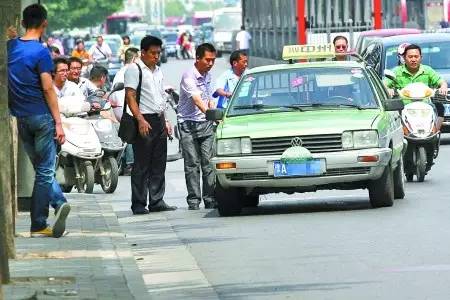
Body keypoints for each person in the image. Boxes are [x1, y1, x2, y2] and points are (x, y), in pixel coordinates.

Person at [7, 4, 70, 238]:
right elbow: (47, 88)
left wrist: (12, 37)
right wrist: (59, 122)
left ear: (23, 23)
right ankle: (39, 223)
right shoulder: (42, 52)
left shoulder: (10, 47)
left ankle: (58, 204)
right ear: (44, 23)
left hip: (20, 118)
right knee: (45, 170)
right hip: (42, 117)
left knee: (41, 170)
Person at [124, 35, 177, 214]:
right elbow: (130, 96)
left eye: (158, 53)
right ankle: (138, 204)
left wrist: (166, 120)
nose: (156, 56)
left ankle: (156, 201)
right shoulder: (134, 69)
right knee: (141, 165)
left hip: (159, 119)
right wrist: (140, 119)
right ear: (143, 52)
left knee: (159, 163)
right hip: (144, 120)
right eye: (153, 53)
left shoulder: (158, 70)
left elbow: (161, 97)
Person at [178, 43, 217, 210]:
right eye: (207, 60)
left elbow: (208, 99)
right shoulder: (189, 76)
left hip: (206, 125)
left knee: (209, 163)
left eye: (213, 60)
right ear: (198, 58)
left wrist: (214, 113)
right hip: (188, 125)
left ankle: (210, 198)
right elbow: (197, 101)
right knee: (192, 164)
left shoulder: (208, 75)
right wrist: (211, 113)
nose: (210, 63)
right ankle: (194, 201)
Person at [385, 44, 448, 130]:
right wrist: (388, 89)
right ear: (404, 58)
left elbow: (441, 82)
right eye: (410, 57)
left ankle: (434, 132)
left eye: (416, 56)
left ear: (421, 57)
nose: (413, 59)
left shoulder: (428, 70)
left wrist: (443, 87)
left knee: (440, 108)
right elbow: (385, 84)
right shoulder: (396, 72)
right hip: (403, 108)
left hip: (425, 107)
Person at [110, 47, 140, 176]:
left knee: (125, 135)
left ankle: (123, 163)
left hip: (117, 108)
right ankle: (130, 163)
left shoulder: (119, 72)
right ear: (134, 58)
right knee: (132, 135)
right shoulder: (132, 71)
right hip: (127, 107)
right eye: (138, 58)